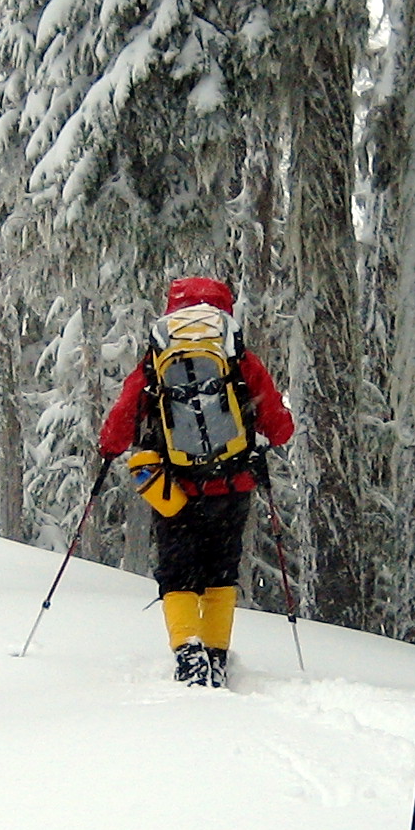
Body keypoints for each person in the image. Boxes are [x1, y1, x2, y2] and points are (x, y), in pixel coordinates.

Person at [98, 277, 296, 688]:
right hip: (234, 484)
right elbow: (279, 428)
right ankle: (216, 654)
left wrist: (109, 449)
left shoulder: (158, 357)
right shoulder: (238, 357)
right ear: (224, 308)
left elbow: (124, 416)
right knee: (221, 574)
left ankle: (188, 654)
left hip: (176, 488)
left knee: (178, 574)